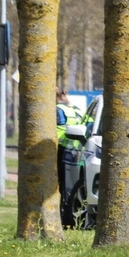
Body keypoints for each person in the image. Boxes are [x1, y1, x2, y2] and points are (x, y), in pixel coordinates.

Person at [56, 88, 82, 219]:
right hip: (75, 149)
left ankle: (62, 213)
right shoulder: (75, 109)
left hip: (59, 149)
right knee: (70, 185)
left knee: (60, 184)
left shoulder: (57, 110)